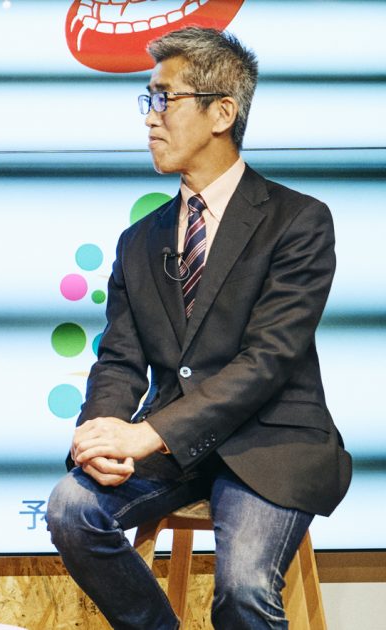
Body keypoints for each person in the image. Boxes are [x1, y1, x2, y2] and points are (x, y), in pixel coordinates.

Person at [46, 26, 351, 630]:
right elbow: (120, 359)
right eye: (149, 99)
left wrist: (148, 434)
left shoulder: (298, 221)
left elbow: (267, 361)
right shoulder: (140, 239)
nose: (150, 117)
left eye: (165, 98)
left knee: (243, 590)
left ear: (222, 113)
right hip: (174, 451)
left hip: (270, 442)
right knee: (70, 508)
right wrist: (102, 433)